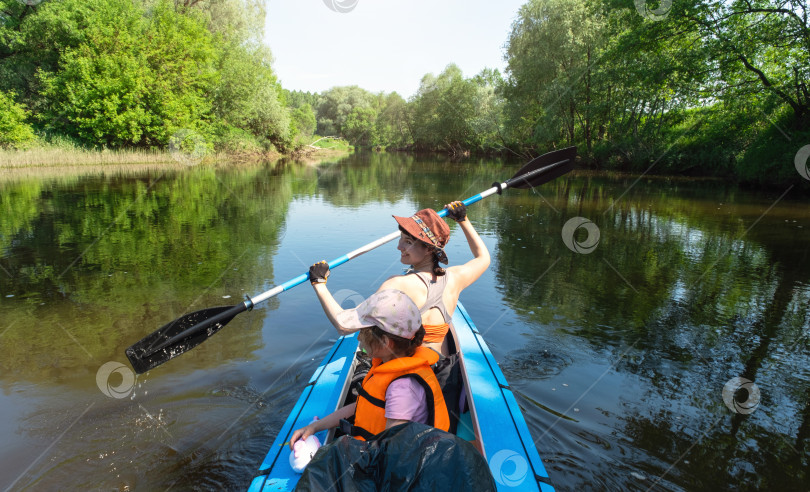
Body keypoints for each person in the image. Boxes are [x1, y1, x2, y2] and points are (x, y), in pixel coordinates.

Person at [309, 201, 490, 355]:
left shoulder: (398, 284)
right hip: (440, 370)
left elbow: (344, 325)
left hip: (405, 377)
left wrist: (319, 282)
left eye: (408, 242)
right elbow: (483, 257)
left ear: (428, 249)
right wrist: (463, 220)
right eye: (401, 238)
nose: (399, 247)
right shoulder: (454, 278)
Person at [289, 289, 449, 448]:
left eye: (363, 332)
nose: (358, 337)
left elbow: (390, 449)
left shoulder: (403, 389)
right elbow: (360, 405)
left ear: (385, 342)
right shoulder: (386, 363)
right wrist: (315, 426)